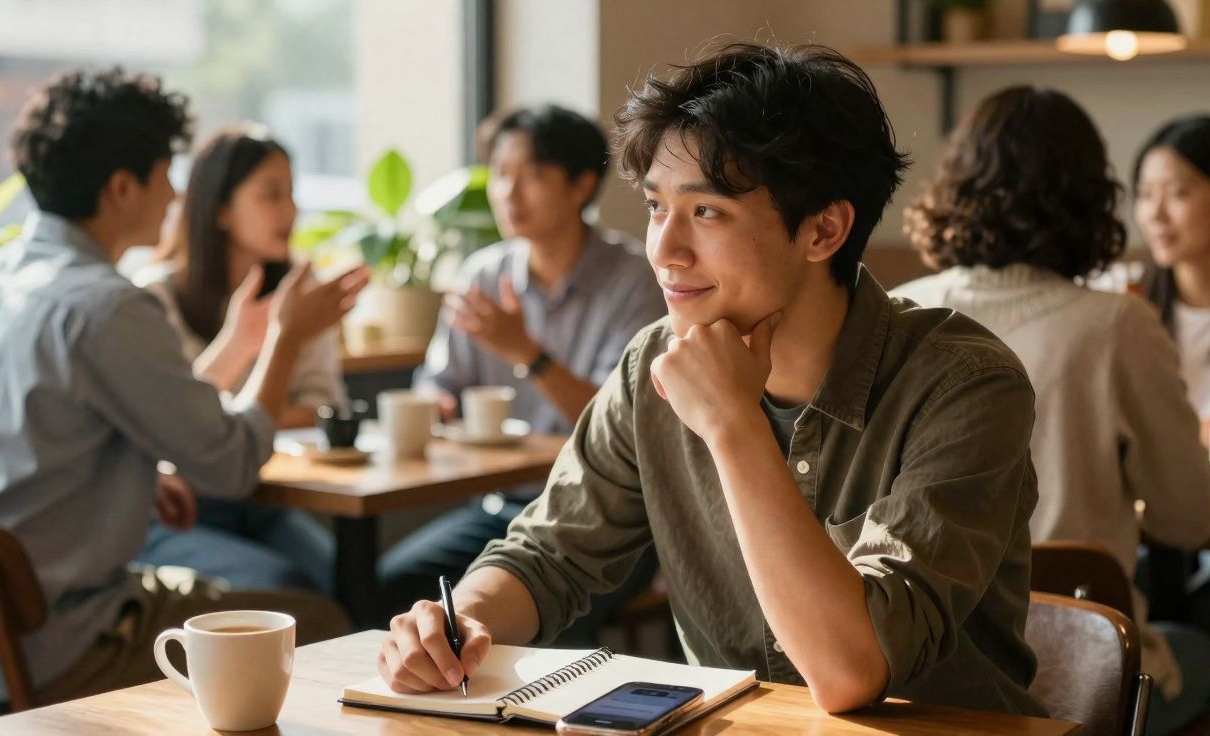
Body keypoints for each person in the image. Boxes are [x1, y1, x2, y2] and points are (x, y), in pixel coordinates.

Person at [376, 42, 1048, 716]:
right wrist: (458, 623)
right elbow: (550, 555)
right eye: (655, 207)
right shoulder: (651, 363)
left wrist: (732, 423)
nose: (664, 251)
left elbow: (851, 670)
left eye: (706, 212)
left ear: (823, 230)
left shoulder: (964, 384)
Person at [0, 68, 367, 708]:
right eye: (166, 173)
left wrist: (131, 472)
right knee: (329, 628)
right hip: (71, 645)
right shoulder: (109, 307)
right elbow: (233, 463)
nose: (174, 195)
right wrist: (284, 335)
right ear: (121, 188)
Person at [893, 87, 1210, 735]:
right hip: (1077, 664)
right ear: (1089, 198)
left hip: (916, 668)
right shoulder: (1117, 325)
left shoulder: (898, 311)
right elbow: (1187, 518)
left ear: (956, 185)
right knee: (1207, 655)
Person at [375, 104, 666, 638]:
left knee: (550, 621)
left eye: (531, 175)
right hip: (499, 506)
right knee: (392, 585)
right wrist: (437, 406)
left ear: (581, 185)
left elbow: (619, 423)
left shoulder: (633, 280)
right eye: (500, 174)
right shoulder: (482, 275)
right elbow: (437, 385)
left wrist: (526, 352)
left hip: (602, 519)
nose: (508, 193)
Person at [131, 125, 341, 594]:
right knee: (288, 587)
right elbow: (171, 424)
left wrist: (227, 425)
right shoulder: (150, 300)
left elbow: (323, 406)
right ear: (220, 209)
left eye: (292, 194)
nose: (290, 211)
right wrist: (248, 360)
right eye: (271, 195)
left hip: (263, 502)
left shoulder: (299, 294)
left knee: (343, 580)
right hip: (177, 510)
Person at [1134, 114, 1210, 734]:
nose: (1155, 214)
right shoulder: (1124, 306)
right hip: (1158, 527)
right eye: (1145, 194)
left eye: (1177, 193)